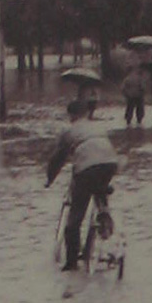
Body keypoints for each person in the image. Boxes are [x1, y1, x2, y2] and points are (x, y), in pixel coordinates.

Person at [46, 100, 119, 271]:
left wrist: (49, 179)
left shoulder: (69, 131)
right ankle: (105, 219)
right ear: (86, 113)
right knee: (99, 188)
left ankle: (71, 264)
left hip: (86, 169)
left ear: (71, 116)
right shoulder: (98, 127)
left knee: (74, 219)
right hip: (110, 164)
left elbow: (57, 159)